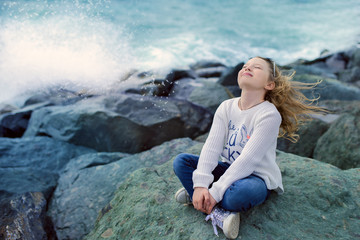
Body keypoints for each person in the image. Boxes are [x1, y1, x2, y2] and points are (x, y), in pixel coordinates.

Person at [173, 56, 326, 239]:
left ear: (269, 84)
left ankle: (206, 202)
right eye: (245, 66)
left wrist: (213, 191)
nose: (247, 68)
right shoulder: (226, 107)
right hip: (228, 169)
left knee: (239, 195)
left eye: (257, 67)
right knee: (181, 161)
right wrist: (199, 185)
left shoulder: (269, 114)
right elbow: (211, 149)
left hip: (255, 178)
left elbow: (247, 161)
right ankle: (213, 208)